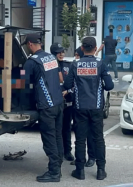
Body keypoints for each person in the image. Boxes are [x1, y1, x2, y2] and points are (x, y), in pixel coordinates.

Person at [64, 37, 114, 180]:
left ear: (82, 48)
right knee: (98, 139)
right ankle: (101, 171)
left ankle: (79, 171)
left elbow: (67, 85)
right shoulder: (101, 64)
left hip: (80, 107)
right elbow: (110, 86)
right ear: (95, 47)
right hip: (97, 107)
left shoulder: (75, 64)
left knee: (80, 140)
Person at [21, 34, 64, 183]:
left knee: (49, 138)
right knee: (58, 136)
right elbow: (57, 77)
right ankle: (58, 166)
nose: (27, 48)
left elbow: (23, 82)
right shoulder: (51, 57)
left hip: (46, 105)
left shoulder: (31, 62)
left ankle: (54, 173)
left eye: (27, 45)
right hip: (59, 103)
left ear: (31, 44)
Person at [70, 46, 96, 168]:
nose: (75, 57)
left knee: (86, 135)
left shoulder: (78, 66)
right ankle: (81, 158)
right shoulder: (76, 65)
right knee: (81, 134)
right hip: (84, 104)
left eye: (76, 55)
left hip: (84, 105)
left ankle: (91, 157)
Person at [50, 42, 75, 162]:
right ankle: (55, 152)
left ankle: (67, 151)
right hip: (54, 102)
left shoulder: (68, 65)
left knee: (66, 127)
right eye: (58, 52)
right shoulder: (49, 66)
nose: (61, 54)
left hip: (67, 101)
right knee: (55, 128)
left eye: (62, 52)